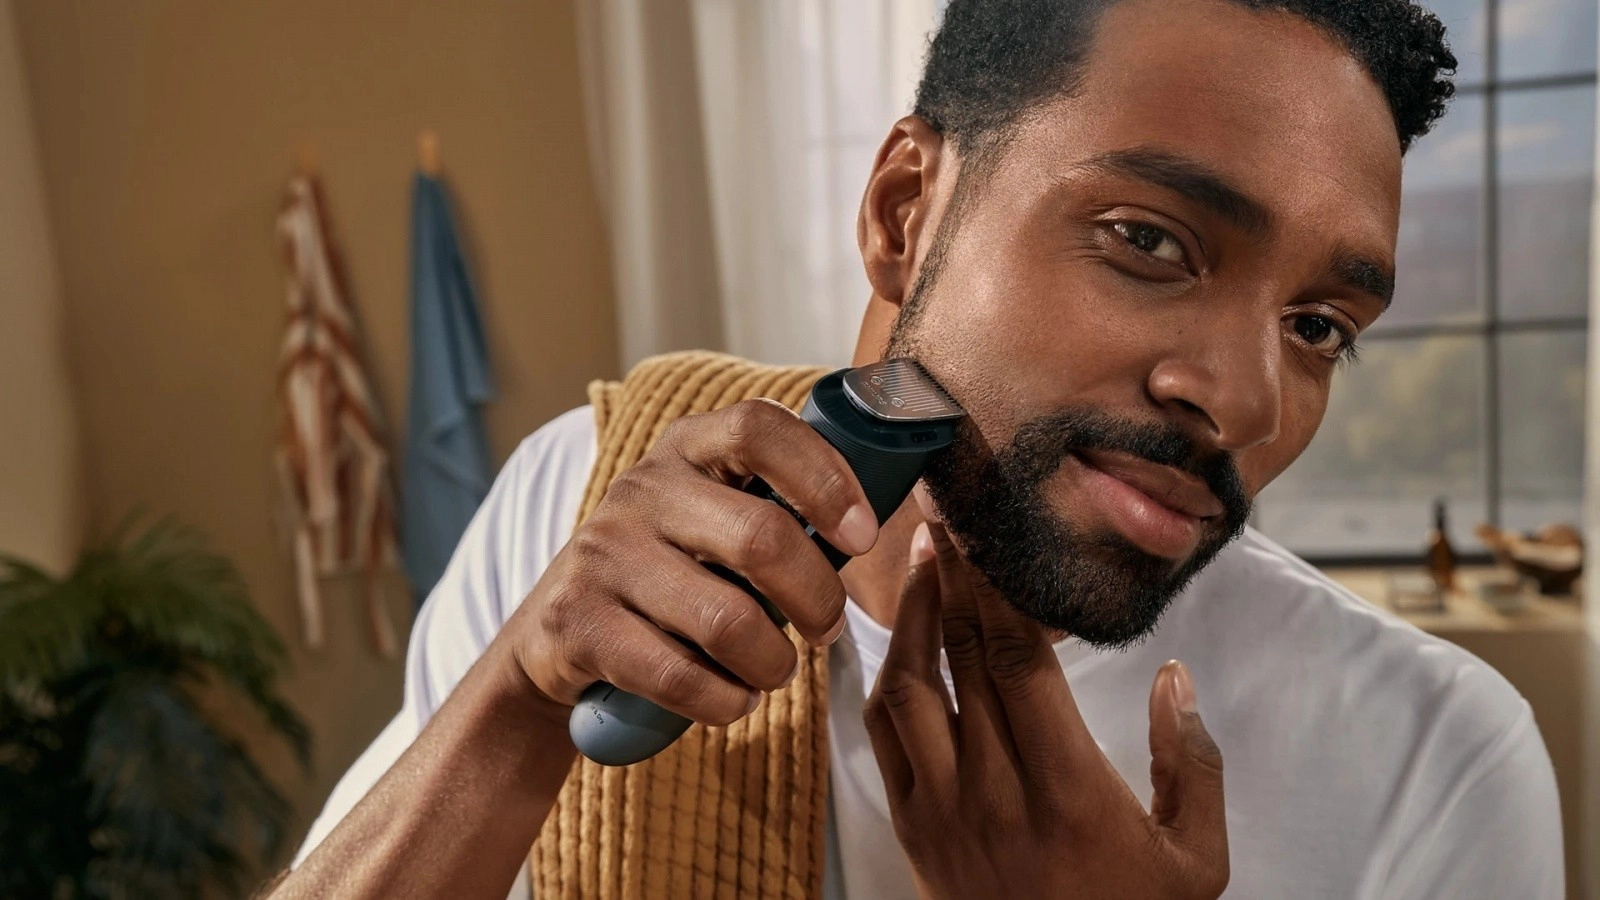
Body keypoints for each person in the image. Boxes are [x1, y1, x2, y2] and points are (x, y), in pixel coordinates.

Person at [270, 0, 1564, 896]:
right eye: (1148, 241)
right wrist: (513, 711)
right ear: (905, 210)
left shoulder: (1436, 760)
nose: (1245, 403)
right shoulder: (586, 496)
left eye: (1319, 327)